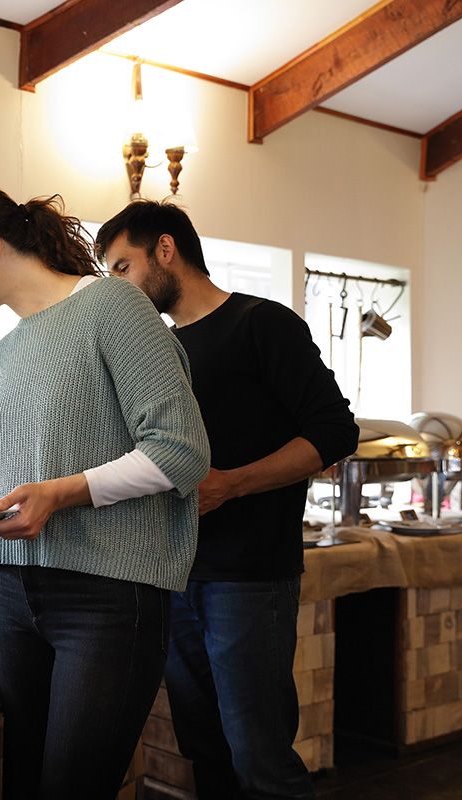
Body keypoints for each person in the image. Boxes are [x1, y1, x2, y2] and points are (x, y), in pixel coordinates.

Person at [0, 181, 210, 800]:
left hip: (108, 601)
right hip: (15, 596)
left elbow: (181, 450)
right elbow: (13, 492)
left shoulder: (112, 304)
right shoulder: (9, 351)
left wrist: (61, 494)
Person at [95, 200, 359, 800]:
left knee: (259, 759)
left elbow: (335, 431)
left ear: (166, 250)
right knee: (204, 754)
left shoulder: (263, 324)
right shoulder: (154, 350)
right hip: (175, 576)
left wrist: (233, 482)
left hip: (249, 577)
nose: (118, 286)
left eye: (121, 267)